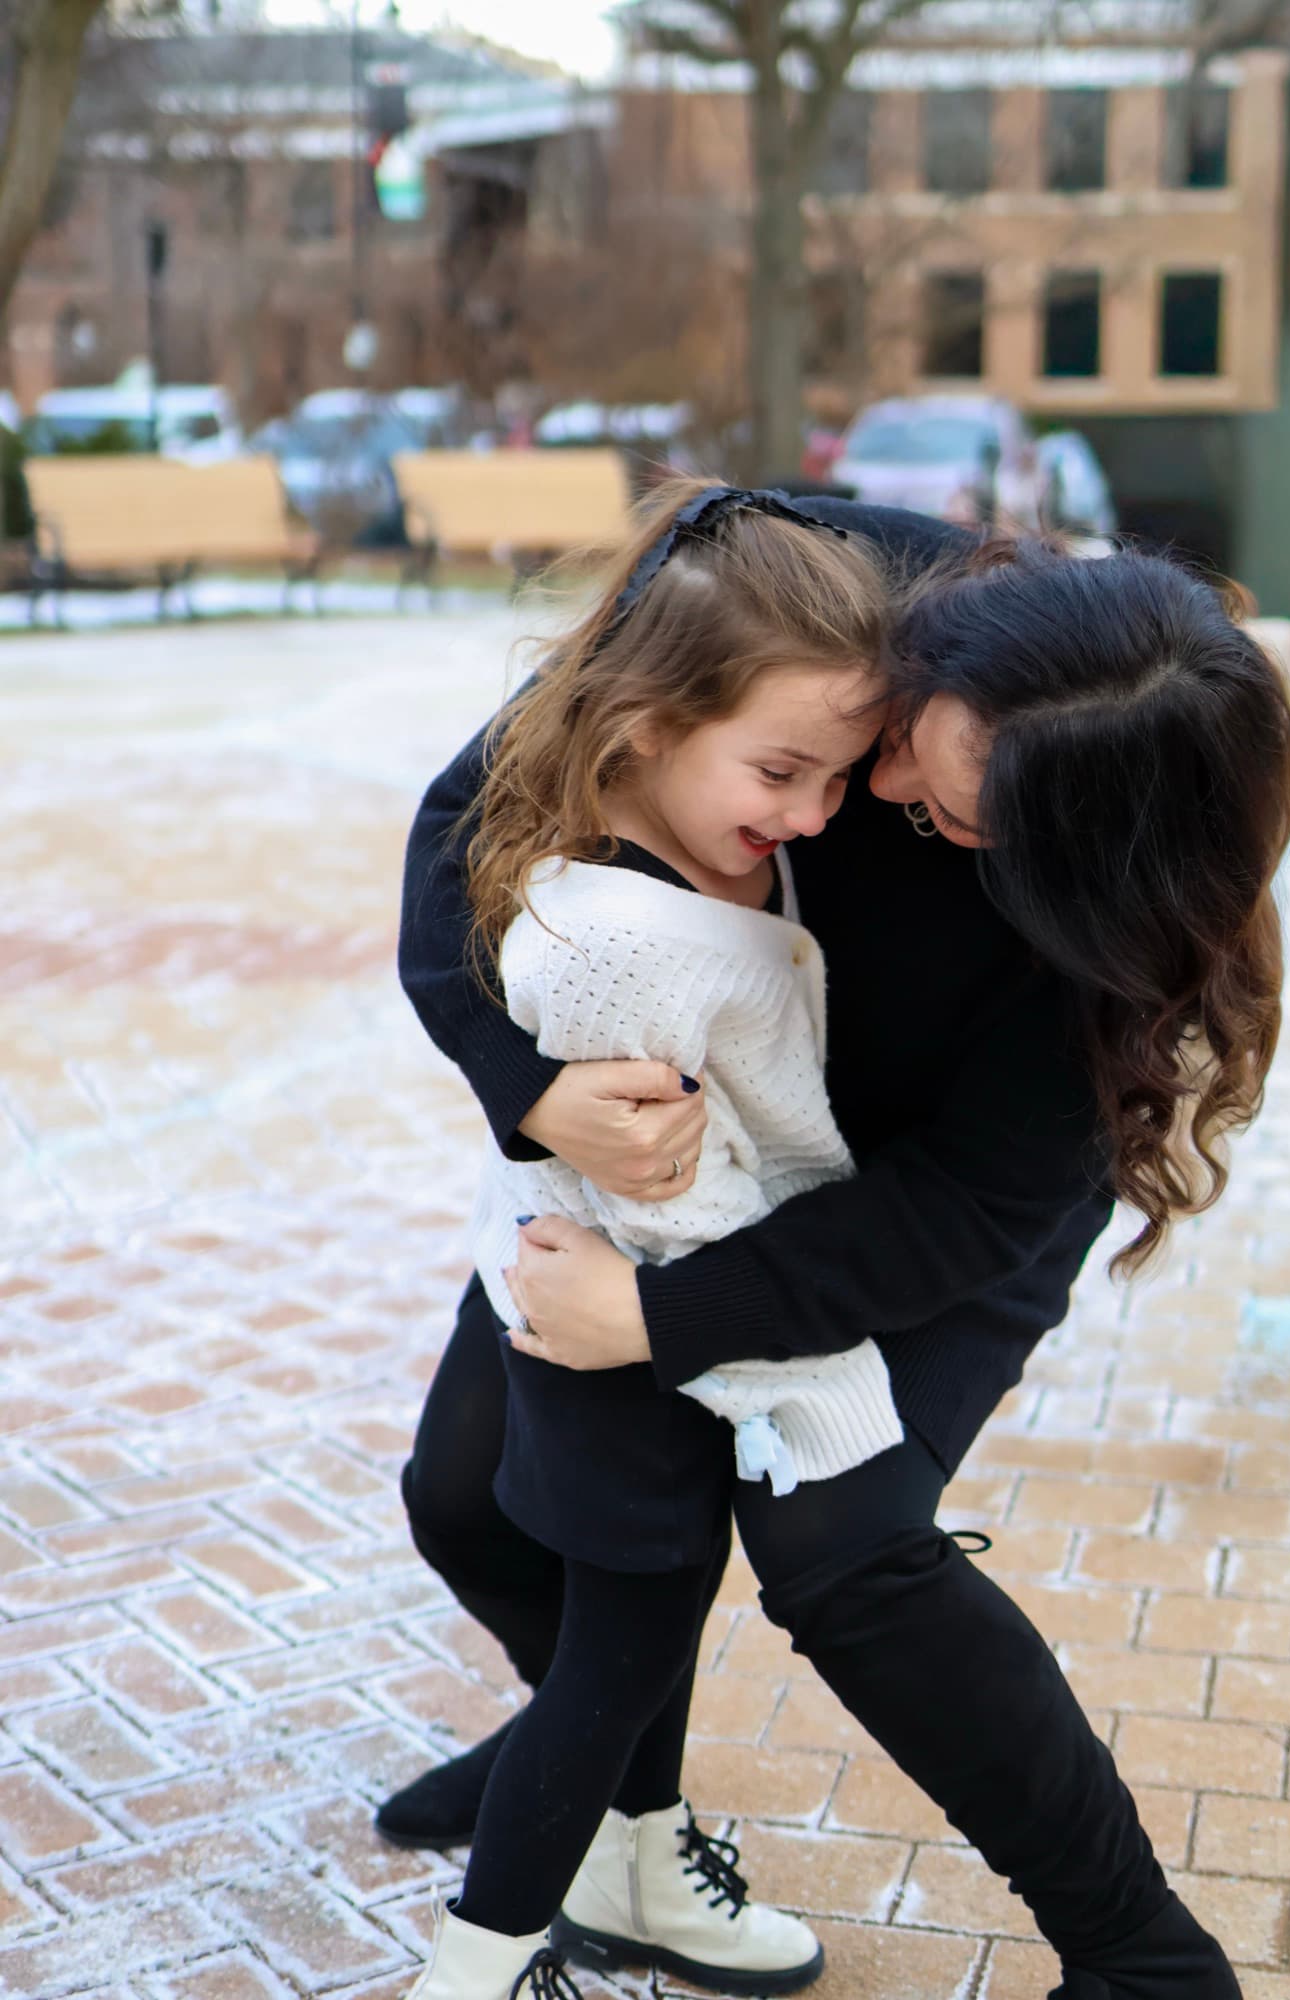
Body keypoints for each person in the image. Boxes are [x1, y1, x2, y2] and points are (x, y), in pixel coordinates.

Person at [388, 491, 1290, 2000]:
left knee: (843, 1547)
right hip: (713, 1146)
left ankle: (1142, 1957)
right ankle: (602, 1758)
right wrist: (527, 1087)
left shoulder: (1112, 927)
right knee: (467, 1499)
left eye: (950, 821)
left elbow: (964, 1205)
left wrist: (667, 1320)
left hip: (929, 1202)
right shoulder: (820, 582)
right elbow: (468, 812)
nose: (867, 795)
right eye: (898, 744)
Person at [401, 482, 915, 2000]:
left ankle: (634, 1841)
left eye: (839, 777)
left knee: (608, 1652)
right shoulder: (653, 930)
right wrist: (800, 1355)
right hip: (638, 1324)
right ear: (640, 722)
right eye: (783, 771)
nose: (817, 816)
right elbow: (724, 1172)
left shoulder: (648, 837)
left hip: (601, 1296)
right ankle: (494, 1953)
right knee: (599, 1648)